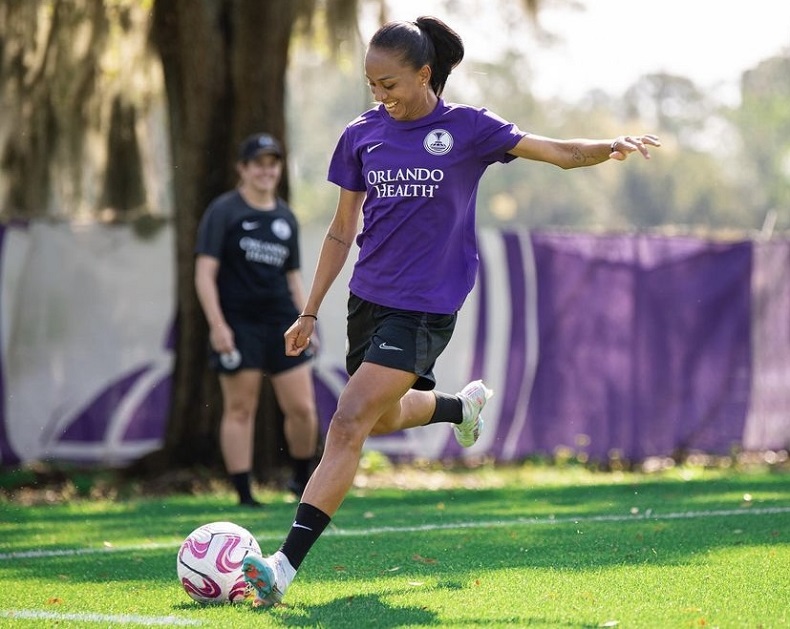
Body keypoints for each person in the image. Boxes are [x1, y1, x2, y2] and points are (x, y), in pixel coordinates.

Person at [242, 16, 660, 605]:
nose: (380, 95)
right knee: (380, 420)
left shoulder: (469, 128)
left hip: (426, 305)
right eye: (371, 84)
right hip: (369, 296)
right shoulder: (362, 134)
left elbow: (559, 151)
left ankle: (284, 565)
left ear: (424, 74)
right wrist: (309, 310)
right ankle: (460, 406)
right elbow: (341, 230)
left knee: (347, 421)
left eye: (390, 83)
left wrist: (608, 147)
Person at [194, 132, 320, 507]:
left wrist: (306, 318)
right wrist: (218, 326)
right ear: (243, 169)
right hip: (238, 323)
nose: (267, 171)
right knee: (240, 407)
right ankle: (244, 494)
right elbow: (204, 274)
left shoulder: (285, 217)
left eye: (273, 163)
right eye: (258, 164)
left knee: (302, 408)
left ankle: (301, 481)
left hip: (282, 321)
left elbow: (293, 276)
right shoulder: (224, 211)